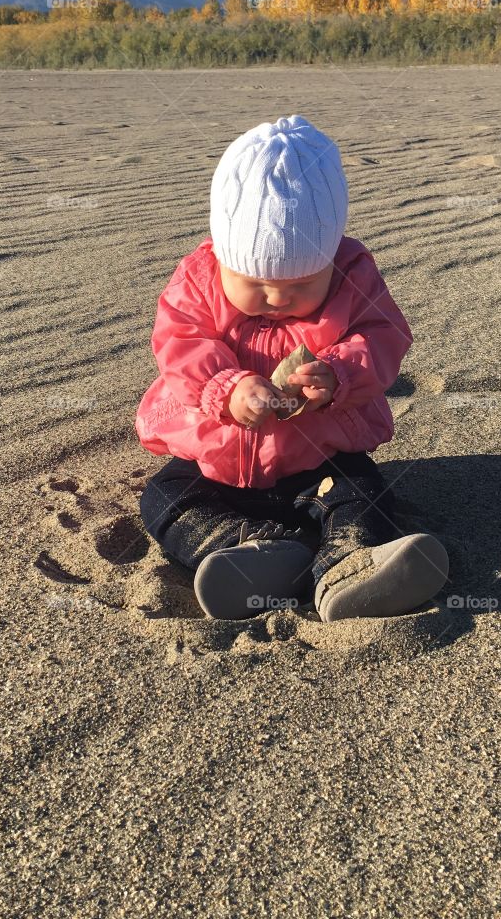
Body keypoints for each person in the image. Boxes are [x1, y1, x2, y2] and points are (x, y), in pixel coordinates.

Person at [135, 114, 448, 621]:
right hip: (214, 462)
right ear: (223, 256)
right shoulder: (198, 279)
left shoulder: (352, 275)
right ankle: (248, 550)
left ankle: (351, 566)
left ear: (330, 257)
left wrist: (340, 373)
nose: (278, 297)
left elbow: (384, 335)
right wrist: (225, 387)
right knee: (163, 498)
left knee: (362, 491)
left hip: (316, 460)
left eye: (302, 285)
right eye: (256, 284)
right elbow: (178, 341)